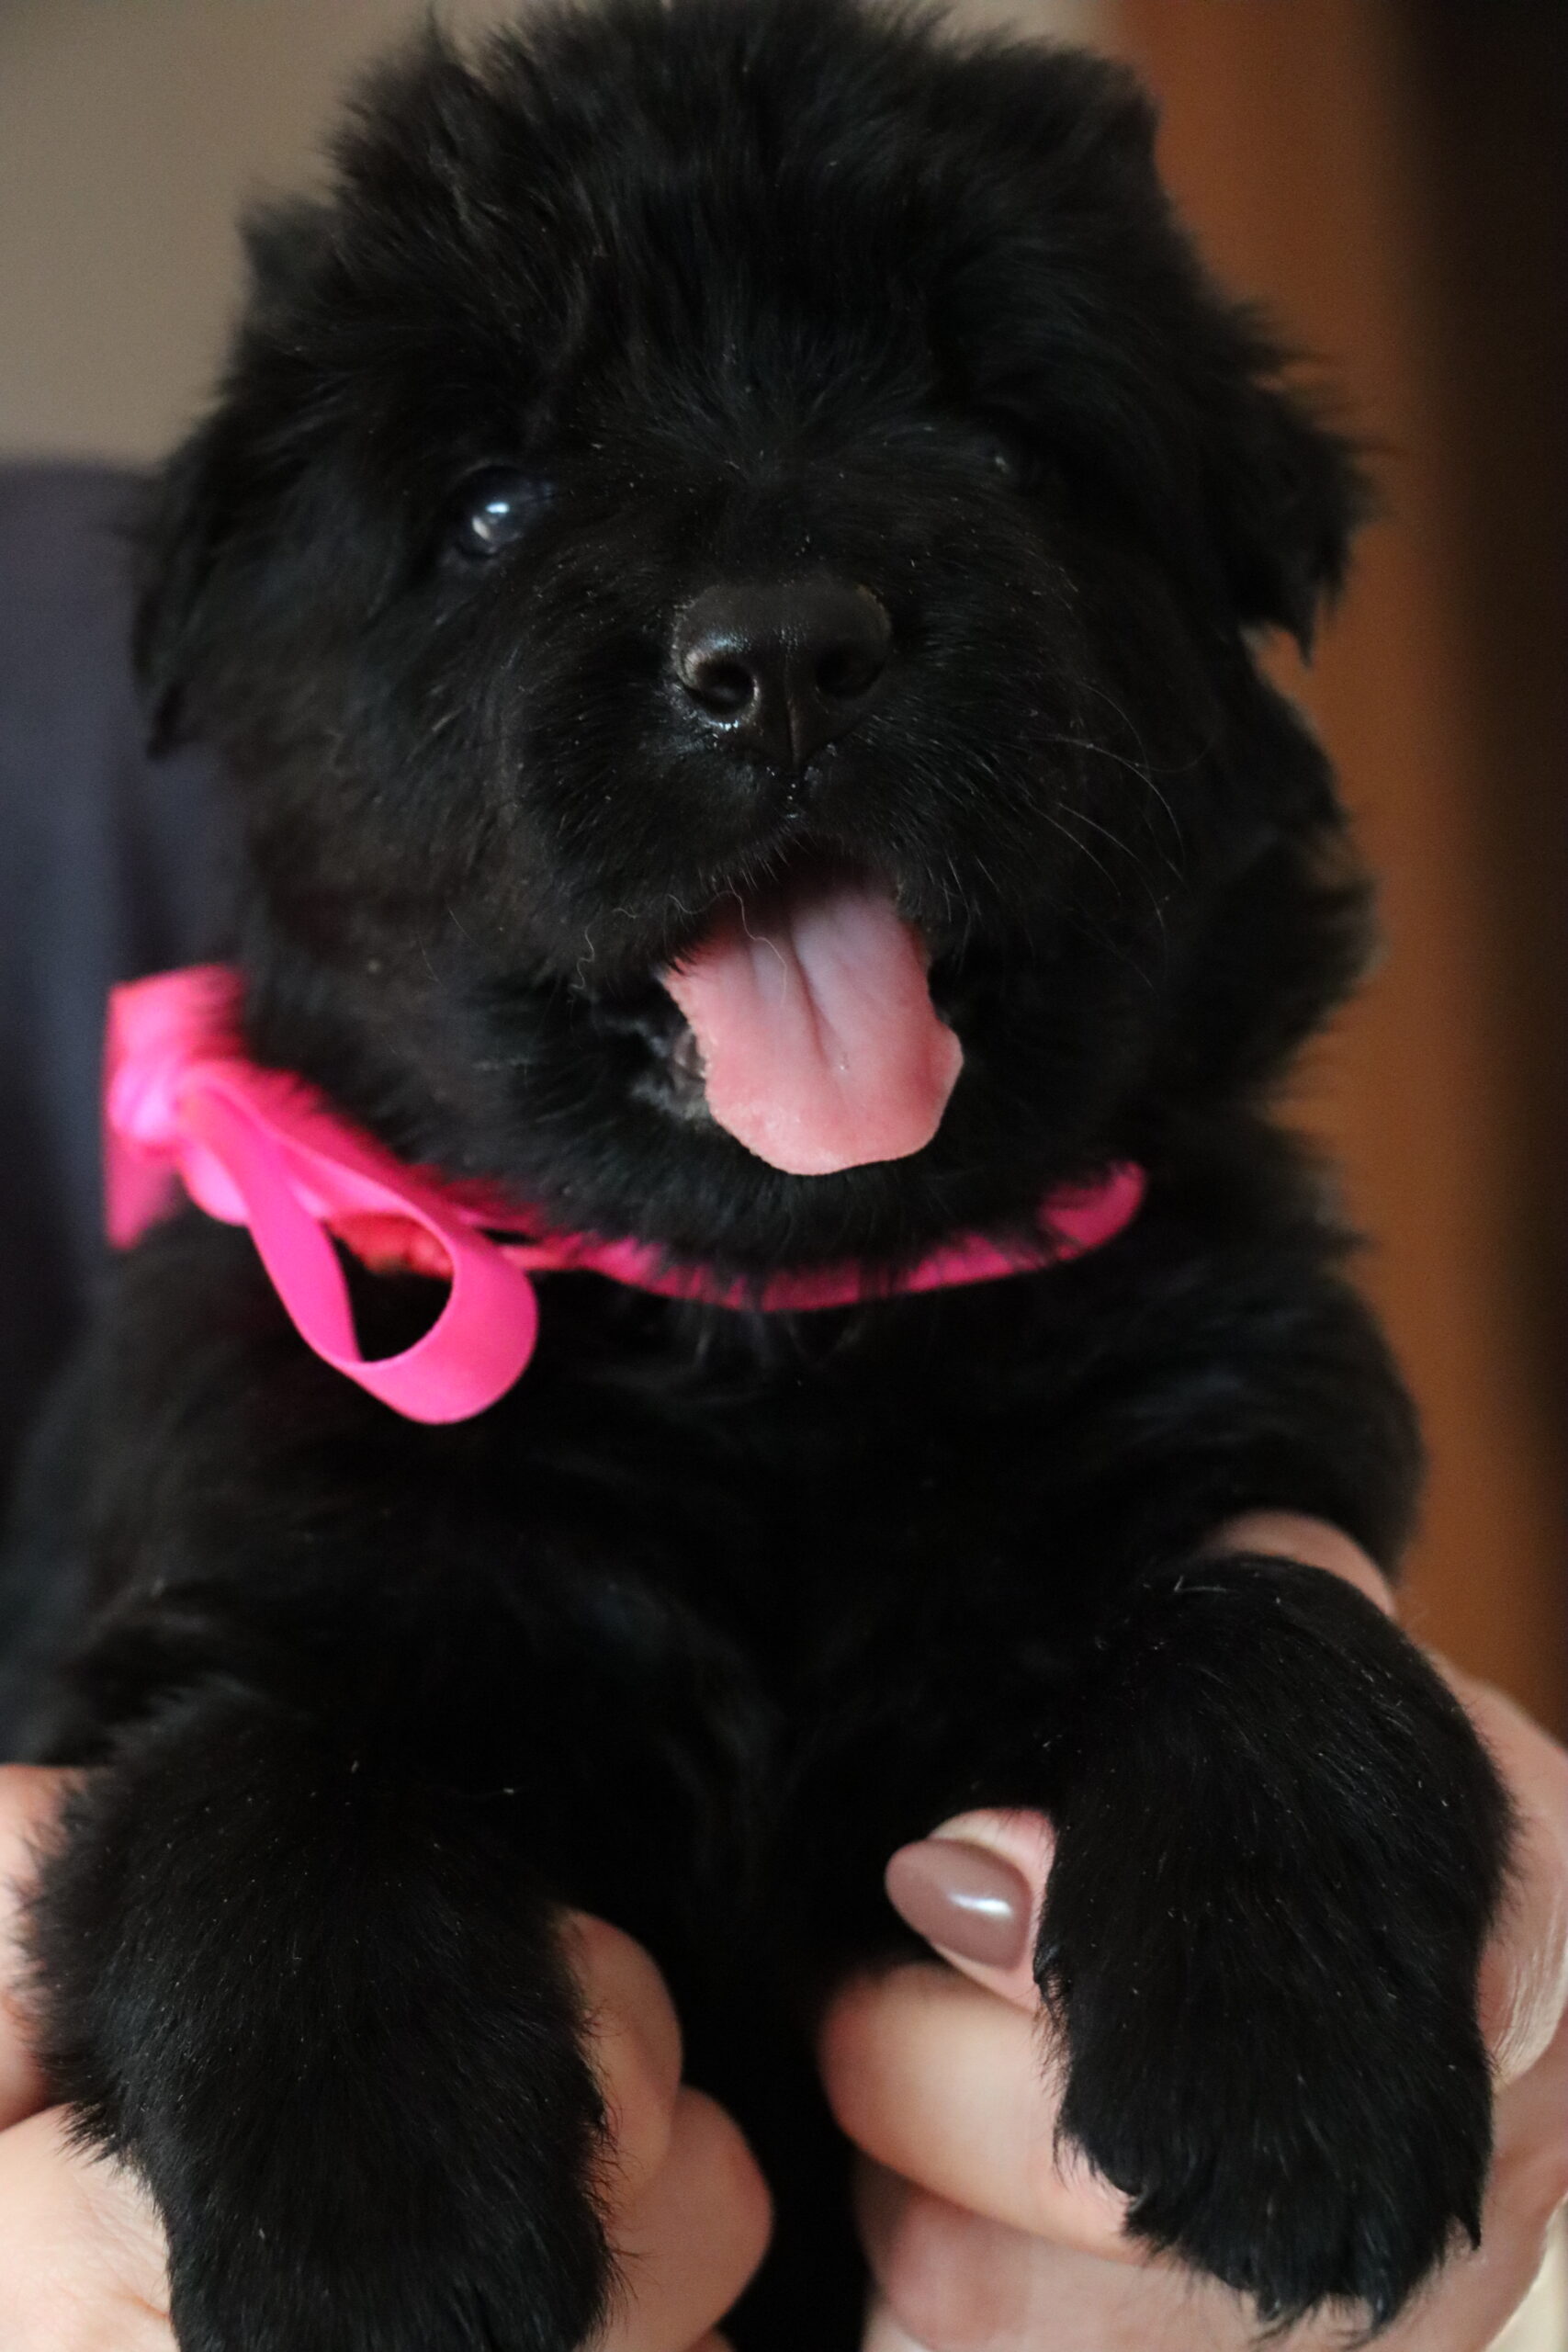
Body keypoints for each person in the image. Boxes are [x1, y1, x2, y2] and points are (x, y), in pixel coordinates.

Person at [1, 469, 1564, 2349]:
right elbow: (187, 1781)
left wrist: (1302, 1752)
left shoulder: (50, 664)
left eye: (989, 445)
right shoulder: (261, 1355)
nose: (768, 615)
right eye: (494, 503)